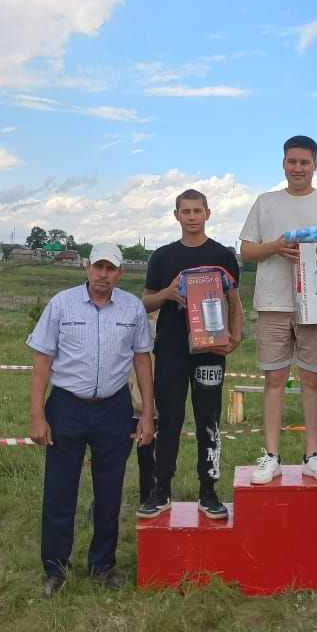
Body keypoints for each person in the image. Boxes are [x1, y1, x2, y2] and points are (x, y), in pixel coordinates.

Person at [27, 242, 154, 597]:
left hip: (113, 408)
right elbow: (42, 362)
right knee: (59, 490)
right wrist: (37, 415)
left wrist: (147, 413)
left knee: (110, 490)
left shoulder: (132, 308)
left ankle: (103, 565)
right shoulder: (61, 304)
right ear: (86, 267)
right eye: (98, 267)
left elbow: (143, 360)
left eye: (110, 269)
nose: (103, 274)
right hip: (66, 406)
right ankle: (55, 568)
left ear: (120, 273)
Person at [239, 135, 317, 485]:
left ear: (315, 164)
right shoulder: (266, 202)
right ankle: (271, 455)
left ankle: (312, 455)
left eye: (304, 162)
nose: (298, 168)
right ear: (283, 163)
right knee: (274, 378)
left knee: (313, 380)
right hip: (273, 303)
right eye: (292, 162)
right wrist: (275, 246)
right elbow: (246, 250)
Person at [137, 190, 243, 522]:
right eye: (186, 211)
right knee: (168, 420)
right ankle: (161, 490)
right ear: (176, 215)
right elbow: (145, 303)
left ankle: (208, 492)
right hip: (170, 349)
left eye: (198, 210)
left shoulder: (223, 255)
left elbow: (235, 303)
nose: (192, 216)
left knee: (208, 421)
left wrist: (235, 338)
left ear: (208, 213)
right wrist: (169, 293)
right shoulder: (162, 257)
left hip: (210, 351)